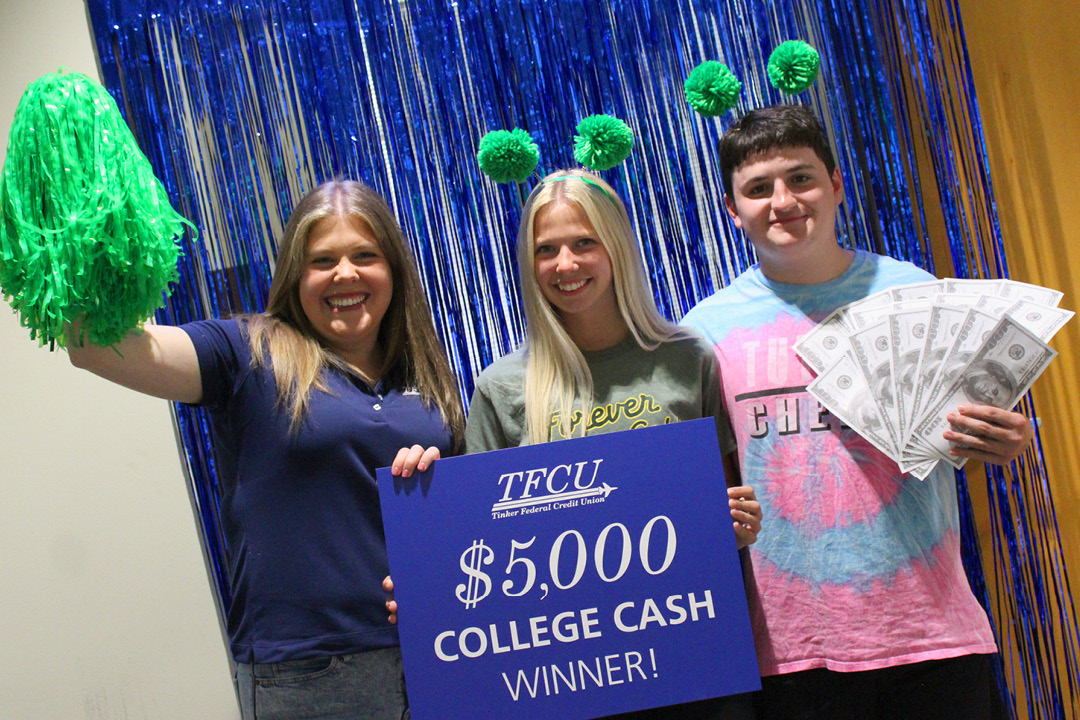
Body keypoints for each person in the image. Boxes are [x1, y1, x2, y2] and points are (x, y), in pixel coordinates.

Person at [680, 104, 1035, 720]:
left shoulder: (915, 294)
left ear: (837, 185)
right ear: (732, 211)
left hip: (935, 639)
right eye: (758, 189)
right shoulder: (702, 332)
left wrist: (996, 443)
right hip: (791, 659)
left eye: (801, 178)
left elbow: (954, 455)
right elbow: (703, 491)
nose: (783, 200)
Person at [68, 180, 464, 720]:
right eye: (322, 260)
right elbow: (97, 345)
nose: (345, 274)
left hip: (442, 653)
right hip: (310, 674)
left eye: (364, 256)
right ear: (295, 276)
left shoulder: (428, 371)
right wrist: (75, 223)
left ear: (392, 267)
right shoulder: (246, 350)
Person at [395, 169, 762, 719]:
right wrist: (428, 568)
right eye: (547, 250)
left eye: (584, 243)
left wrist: (738, 526)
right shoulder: (502, 386)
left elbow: (725, 500)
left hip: (690, 666)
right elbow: (480, 546)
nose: (565, 265)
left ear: (616, 248)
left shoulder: (689, 359)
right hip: (567, 678)